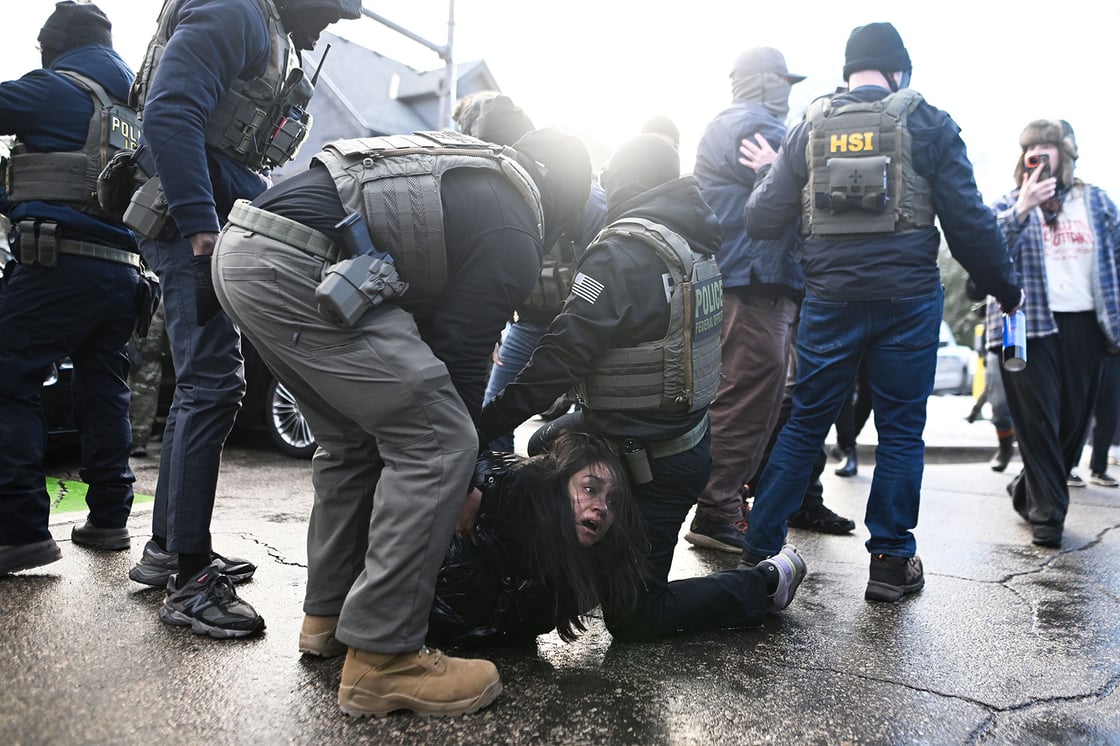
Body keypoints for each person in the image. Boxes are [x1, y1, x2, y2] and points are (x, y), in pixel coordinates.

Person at [212, 126, 594, 715]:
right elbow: (459, 352)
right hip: (301, 266)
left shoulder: (471, 172)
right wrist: (462, 474)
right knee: (437, 439)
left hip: (244, 248)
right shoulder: (516, 225)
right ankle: (383, 659)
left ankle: (330, 617)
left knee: (349, 441)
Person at [480, 133, 807, 642]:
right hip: (673, 436)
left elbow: (562, 354)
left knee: (634, 615)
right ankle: (595, 557)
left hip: (658, 458)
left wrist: (483, 425)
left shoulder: (621, 253)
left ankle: (765, 582)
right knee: (545, 445)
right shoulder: (691, 240)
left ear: (622, 182)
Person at [739, 22, 1022, 601]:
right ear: (899, 71)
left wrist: (783, 182)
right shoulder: (928, 121)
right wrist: (1003, 287)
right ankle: (891, 562)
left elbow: (761, 218)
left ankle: (759, 550)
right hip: (908, 303)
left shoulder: (810, 127)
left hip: (830, 300)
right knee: (899, 432)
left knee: (806, 422)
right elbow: (969, 224)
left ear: (850, 71)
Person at [123, 0, 361, 634]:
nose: (328, 26)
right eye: (331, 13)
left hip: (208, 214)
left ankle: (167, 551)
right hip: (186, 220)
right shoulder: (236, 13)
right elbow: (169, 112)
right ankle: (190, 578)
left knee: (204, 387)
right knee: (212, 385)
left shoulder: (268, 26)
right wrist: (202, 228)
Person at [0, 2, 143, 574]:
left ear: (50, 48)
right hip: (124, 271)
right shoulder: (134, 103)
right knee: (103, 388)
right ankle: (109, 518)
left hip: (57, 263)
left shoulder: (53, 87)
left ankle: (20, 532)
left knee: (7, 379)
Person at [686, 47, 810, 552]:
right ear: (767, 81)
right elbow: (806, 176)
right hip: (753, 280)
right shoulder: (753, 124)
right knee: (746, 397)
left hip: (752, 278)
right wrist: (788, 161)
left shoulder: (742, 120)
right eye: (784, 80)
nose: (788, 91)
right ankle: (717, 507)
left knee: (752, 395)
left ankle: (723, 499)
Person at [986, 119, 1120, 547]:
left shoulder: (1094, 200)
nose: (1040, 152)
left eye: (1049, 145)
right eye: (1032, 146)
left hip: (1086, 322)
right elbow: (984, 254)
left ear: (1066, 153)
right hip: (1025, 324)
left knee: (1072, 423)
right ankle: (1048, 516)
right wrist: (1023, 208)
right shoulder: (1007, 203)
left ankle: (1028, 489)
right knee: (1038, 419)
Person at [453, 93, 608, 453]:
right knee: (492, 411)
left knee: (590, 419)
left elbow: (604, 269)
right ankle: (495, 488)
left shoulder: (577, 190)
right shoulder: (489, 185)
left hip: (584, 325)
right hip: (530, 322)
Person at [427, 432, 647, 650]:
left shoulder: (589, 574)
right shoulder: (483, 525)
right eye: (590, 489)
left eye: (613, 500)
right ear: (558, 488)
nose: (603, 507)